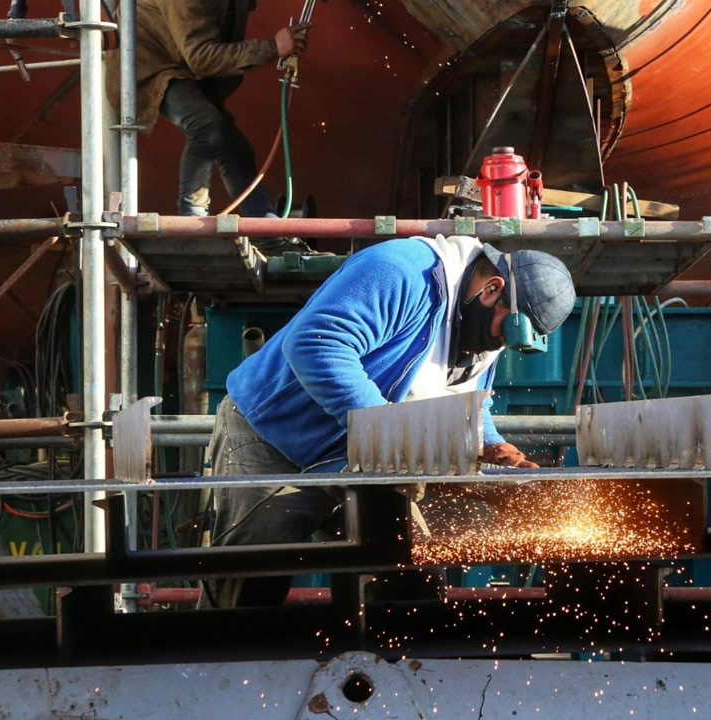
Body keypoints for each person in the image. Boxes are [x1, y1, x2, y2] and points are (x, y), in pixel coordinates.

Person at [202, 234, 576, 607]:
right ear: (492, 290)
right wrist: (388, 437)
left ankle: (391, 664)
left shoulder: (478, 325)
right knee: (250, 588)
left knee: (406, 573)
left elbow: (460, 396)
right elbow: (316, 344)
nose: (502, 344)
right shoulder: (401, 271)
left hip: (353, 455)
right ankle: (211, 665)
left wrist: (490, 443)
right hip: (273, 434)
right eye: (507, 331)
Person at [106, 0, 307, 222]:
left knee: (235, 147)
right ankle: (192, 218)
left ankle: (269, 233)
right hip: (149, 66)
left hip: (185, 63)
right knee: (208, 127)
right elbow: (201, 57)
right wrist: (273, 47)